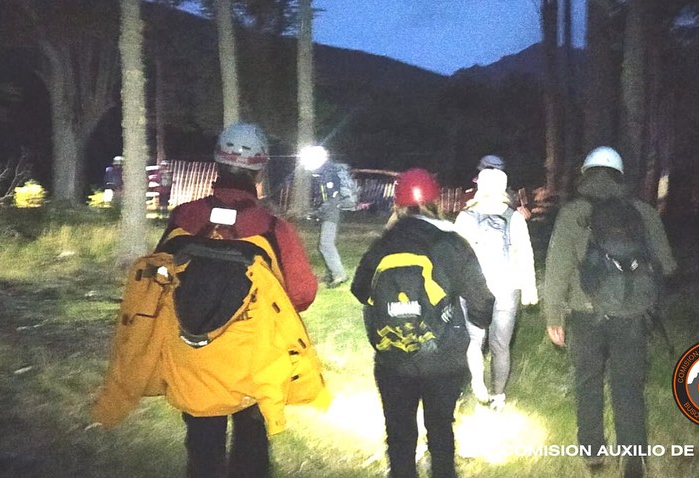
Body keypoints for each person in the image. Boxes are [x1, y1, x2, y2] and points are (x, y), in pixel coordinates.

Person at [93, 123, 323, 478]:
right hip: (252, 359)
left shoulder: (185, 217)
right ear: (260, 170)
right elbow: (303, 293)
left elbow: (159, 275)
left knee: (202, 450)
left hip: (193, 355)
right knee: (251, 447)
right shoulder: (274, 228)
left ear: (217, 162)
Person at [351, 168, 494, 478]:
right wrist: (475, 336)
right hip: (443, 358)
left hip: (393, 357)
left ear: (398, 204)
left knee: (399, 432)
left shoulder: (383, 244)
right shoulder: (453, 243)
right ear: (436, 202)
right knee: (441, 428)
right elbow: (482, 299)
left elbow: (359, 289)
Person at [543, 146, 676, 477]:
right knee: (628, 386)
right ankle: (634, 461)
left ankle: (592, 452)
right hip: (631, 314)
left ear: (586, 174)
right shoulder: (643, 212)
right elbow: (668, 265)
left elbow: (557, 268)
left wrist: (553, 316)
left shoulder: (573, 213)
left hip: (585, 313)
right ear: (619, 176)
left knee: (588, 380)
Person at [454, 168, 538, 411]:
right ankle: (498, 395)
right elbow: (525, 255)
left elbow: (457, 257)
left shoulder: (465, 217)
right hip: (507, 287)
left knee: (473, 340)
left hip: (474, 289)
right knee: (501, 345)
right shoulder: (514, 217)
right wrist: (529, 290)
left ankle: (478, 384)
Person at [314, 158, 350, 288]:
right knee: (323, 245)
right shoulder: (325, 174)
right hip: (328, 213)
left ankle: (340, 274)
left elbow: (331, 199)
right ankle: (330, 273)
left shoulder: (328, 176)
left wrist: (319, 211)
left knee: (326, 244)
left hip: (331, 214)